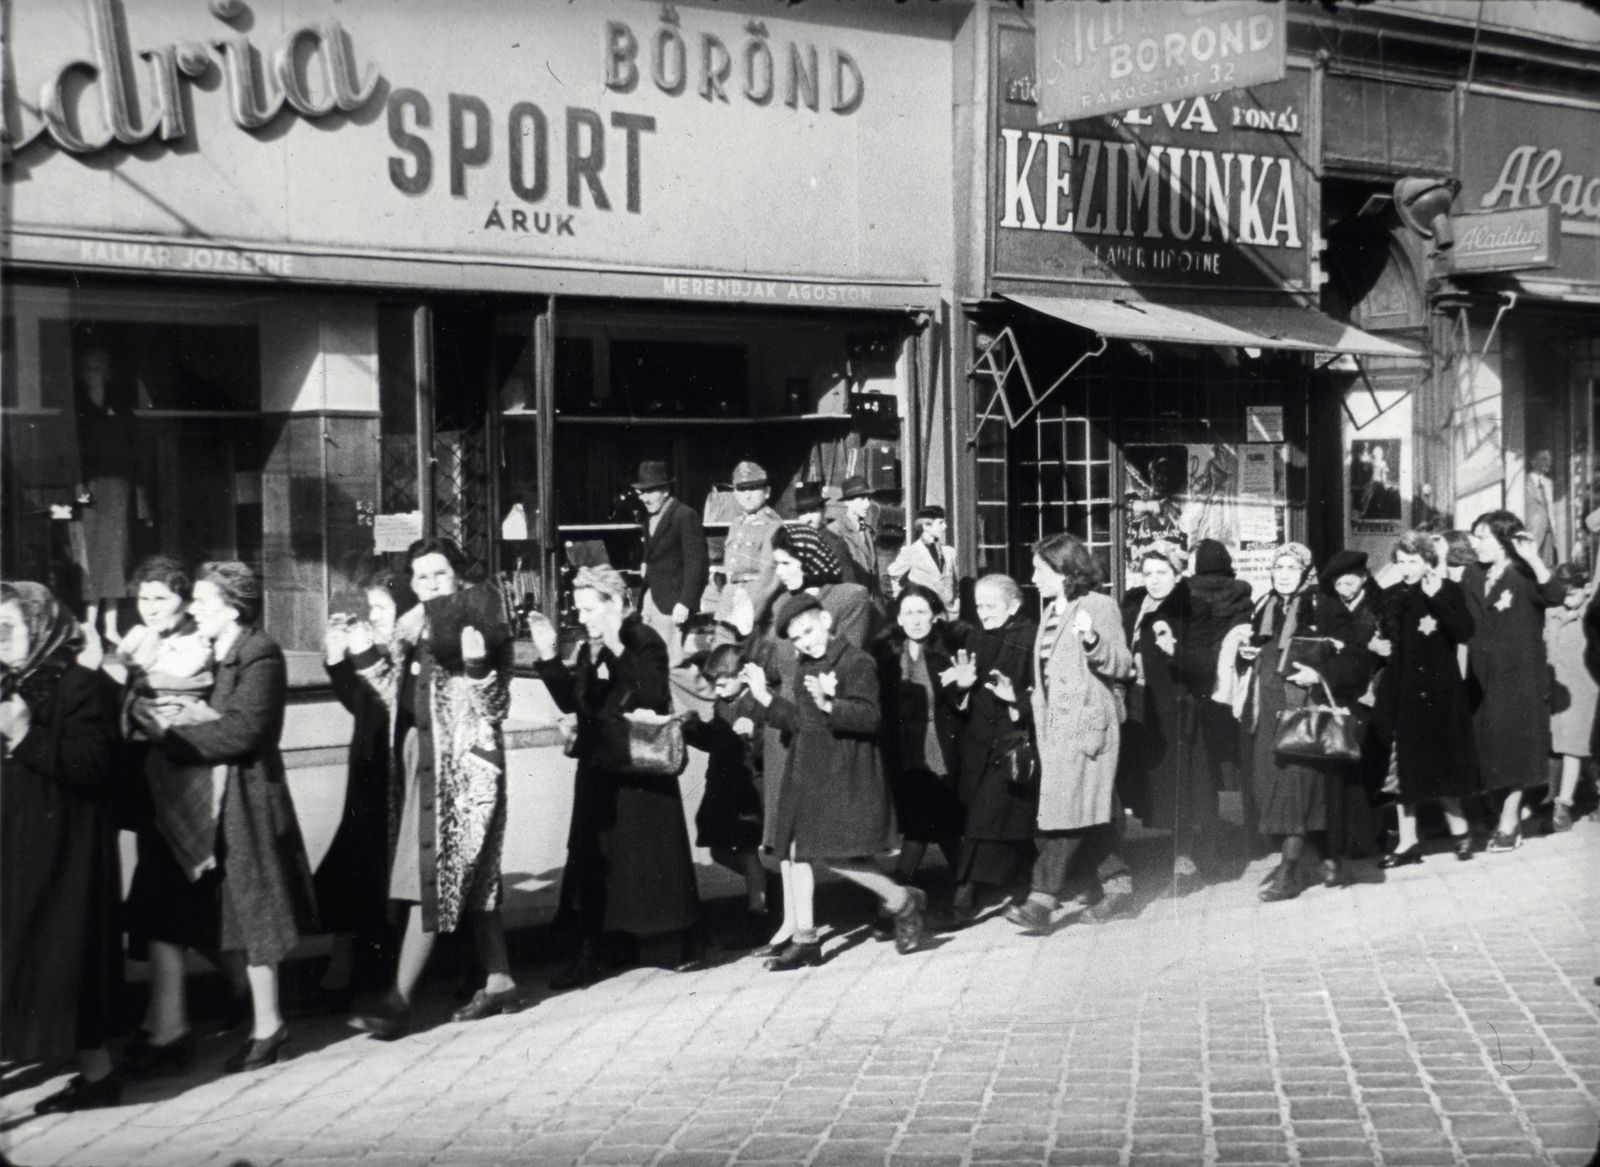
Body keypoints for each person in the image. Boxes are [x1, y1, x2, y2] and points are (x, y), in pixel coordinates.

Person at [128, 562, 318, 1074]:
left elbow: (244, 733)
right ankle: (245, 1012)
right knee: (223, 911)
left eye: (205, 604)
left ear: (233, 608)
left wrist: (168, 736)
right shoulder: (212, 651)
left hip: (248, 801)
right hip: (212, 798)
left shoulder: (260, 653)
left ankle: (269, 1026)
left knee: (254, 913)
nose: (194, 609)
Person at [347, 538, 518, 1038]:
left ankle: (397, 1001)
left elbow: (497, 706)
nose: (430, 587)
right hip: (421, 762)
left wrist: (478, 667)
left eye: (440, 576)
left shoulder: (479, 624)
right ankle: (501, 977)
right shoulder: (412, 629)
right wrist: (361, 655)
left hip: (465, 768)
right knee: (476, 876)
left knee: (433, 873)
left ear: (459, 578)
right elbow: (392, 694)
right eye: (421, 579)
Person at [532, 565, 703, 988]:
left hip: (639, 765)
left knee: (649, 857)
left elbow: (649, 695)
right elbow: (577, 702)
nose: (583, 617)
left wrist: (613, 647)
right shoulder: (591, 649)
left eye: (590, 608)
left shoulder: (643, 639)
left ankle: (673, 942)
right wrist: (550, 658)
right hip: (600, 766)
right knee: (595, 858)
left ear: (614, 603)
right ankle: (594, 950)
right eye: (579, 609)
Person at [741, 596, 927, 969]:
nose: (804, 642)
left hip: (844, 772)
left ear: (827, 620)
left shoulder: (857, 662)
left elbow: (870, 717)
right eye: (796, 639)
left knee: (833, 854)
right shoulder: (802, 666)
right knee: (796, 851)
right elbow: (799, 722)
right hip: (808, 772)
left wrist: (830, 704)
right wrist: (765, 698)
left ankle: (903, 900)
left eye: (808, 631)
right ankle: (806, 940)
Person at [1, 582, 124, 1113]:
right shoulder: (9, 681)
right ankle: (98, 1075)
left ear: (43, 628)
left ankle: (99, 1075)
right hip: (16, 844)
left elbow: (96, 766)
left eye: (9, 627)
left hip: (63, 851)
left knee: (62, 961)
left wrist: (26, 736)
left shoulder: (79, 685)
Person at [726, 523, 874, 957]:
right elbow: (769, 662)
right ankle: (791, 923)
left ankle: (888, 903)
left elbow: (829, 656)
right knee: (784, 831)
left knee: (806, 833)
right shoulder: (786, 604)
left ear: (811, 560)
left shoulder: (848, 598)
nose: (781, 572)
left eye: (787, 563)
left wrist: (769, 645)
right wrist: (747, 633)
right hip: (780, 725)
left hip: (815, 727)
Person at [1006, 533, 1135, 936]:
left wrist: (1093, 640)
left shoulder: (1098, 605)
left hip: (1085, 729)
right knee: (1084, 814)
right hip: (1055, 732)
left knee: (1063, 820)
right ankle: (1119, 886)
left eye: (1040, 570)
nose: (1033, 577)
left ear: (1065, 571)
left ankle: (1041, 900)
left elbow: (1122, 664)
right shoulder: (1050, 611)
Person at [316, 560, 414, 1006]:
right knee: (355, 865)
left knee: (374, 867)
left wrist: (360, 657)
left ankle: (363, 972)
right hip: (367, 765)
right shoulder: (377, 642)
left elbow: (386, 701)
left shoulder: (405, 647)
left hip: (391, 770)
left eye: (382, 606)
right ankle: (345, 969)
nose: (374, 615)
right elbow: (359, 703)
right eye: (371, 606)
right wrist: (337, 657)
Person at [1373, 531, 1479, 867]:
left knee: (1442, 767)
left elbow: (1464, 631)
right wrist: (1374, 645)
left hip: (1440, 696)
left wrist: (1437, 599)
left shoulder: (1445, 589)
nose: (1406, 568)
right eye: (1401, 562)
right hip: (1402, 693)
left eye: (1413, 561)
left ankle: (1461, 832)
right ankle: (1408, 842)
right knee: (1404, 769)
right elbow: (1382, 638)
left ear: (1427, 561)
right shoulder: (1391, 596)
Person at [1462, 510, 1565, 851]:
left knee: (1515, 748)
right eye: (1474, 537)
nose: (1475, 544)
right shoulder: (1472, 575)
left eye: (1483, 537)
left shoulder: (1524, 575)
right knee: (1486, 747)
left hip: (1519, 677)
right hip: (1480, 676)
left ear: (1504, 541)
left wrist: (1534, 558)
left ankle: (1510, 821)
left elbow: (1555, 596)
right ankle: (1508, 807)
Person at [1119, 540, 1214, 890]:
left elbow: (1206, 664)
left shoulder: (1193, 609)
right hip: (1134, 704)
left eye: (1162, 572)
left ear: (1178, 574)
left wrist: (1176, 651)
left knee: (1178, 784)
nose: (1154, 580)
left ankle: (1184, 860)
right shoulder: (1132, 607)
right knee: (1138, 781)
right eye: (1147, 573)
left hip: (1172, 706)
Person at [945, 574, 1039, 927]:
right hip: (977, 745)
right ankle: (1029, 881)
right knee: (998, 820)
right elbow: (961, 691)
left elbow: (1043, 688)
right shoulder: (974, 637)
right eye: (979, 606)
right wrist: (963, 687)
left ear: (1014, 605)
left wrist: (1016, 700)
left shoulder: (1030, 637)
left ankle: (965, 897)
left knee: (987, 820)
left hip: (1011, 743)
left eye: (992, 606)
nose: (984, 613)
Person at [872, 584, 966, 890]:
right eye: (908, 612)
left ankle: (899, 897)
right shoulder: (885, 654)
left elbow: (958, 701)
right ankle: (966, 887)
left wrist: (962, 686)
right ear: (898, 618)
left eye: (922, 612)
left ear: (934, 616)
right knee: (932, 823)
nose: (915, 620)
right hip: (902, 748)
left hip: (937, 744)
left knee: (927, 823)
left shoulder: (947, 650)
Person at [680, 645, 768, 943]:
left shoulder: (755, 703)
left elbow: (767, 748)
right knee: (717, 848)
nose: (717, 688)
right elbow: (716, 741)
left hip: (746, 790)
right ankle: (765, 885)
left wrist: (753, 736)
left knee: (746, 850)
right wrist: (693, 731)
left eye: (723, 682)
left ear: (743, 675)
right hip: (720, 787)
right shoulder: (722, 704)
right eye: (714, 683)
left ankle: (759, 913)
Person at [1311, 550, 1384, 884]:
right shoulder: (1329, 608)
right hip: (1340, 697)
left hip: (1373, 695)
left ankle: (1367, 840)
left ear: (1364, 578)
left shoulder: (1380, 605)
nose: (1344, 587)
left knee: (1369, 766)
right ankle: (1344, 846)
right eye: (1338, 582)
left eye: (1349, 580)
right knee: (1342, 769)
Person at [1185, 540, 1255, 842]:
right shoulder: (1241, 594)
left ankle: (1208, 827)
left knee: (1202, 763)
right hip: (1229, 688)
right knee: (1237, 760)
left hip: (1196, 683)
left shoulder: (1186, 593)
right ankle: (1247, 830)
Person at [633, 460, 708, 669]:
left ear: (665, 490)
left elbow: (697, 563)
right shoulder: (649, 519)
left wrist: (686, 601)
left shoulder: (684, 515)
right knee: (649, 662)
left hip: (671, 607)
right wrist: (646, 563)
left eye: (649, 491)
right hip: (649, 602)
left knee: (670, 665)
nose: (644, 497)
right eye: (642, 492)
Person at [1545, 562, 1596, 833]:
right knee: (1574, 750)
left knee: (1574, 750)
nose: (1567, 601)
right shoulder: (1551, 615)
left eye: (1573, 594)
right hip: (1559, 694)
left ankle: (1562, 804)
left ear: (1587, 589)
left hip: (1588, 692)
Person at [712, 460, 784, 633]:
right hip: (728, 608)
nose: (747, 495)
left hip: (755, 615)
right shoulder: (736, 524)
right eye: (742, 489)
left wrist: (745, 616)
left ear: (767, 492)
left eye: (753, 488)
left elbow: (769, 580)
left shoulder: (773, 525)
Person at [795, 482, 869, 590]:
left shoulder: (832, 544)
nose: (808, 519)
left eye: (812, 511)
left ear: (823, 511)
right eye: (802, 512)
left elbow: (849, 589)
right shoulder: (795, 541)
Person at [887, 505, 958, 612]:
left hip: (949, 612)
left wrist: (957, 602)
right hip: (923, 612)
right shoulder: (910, 552)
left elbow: (958, 582)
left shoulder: (950, 552)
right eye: (941, 523)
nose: (945, 527)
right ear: (926, 526)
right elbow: (891, 577)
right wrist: (902, 601)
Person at [828, 475, 882, 598]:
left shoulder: (867, 530)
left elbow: (874, 573)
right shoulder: (836, 531)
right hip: (850, 601)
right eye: (862, 498)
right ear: (848, 501)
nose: (867, 504)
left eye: (869, 498)